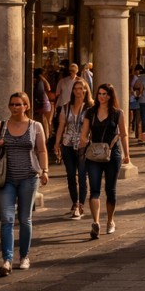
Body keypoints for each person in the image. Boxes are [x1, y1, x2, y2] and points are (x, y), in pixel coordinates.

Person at [0, 92, 49, 275]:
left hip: (29, 178)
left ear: (26, 106)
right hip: (6, 179)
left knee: (24, 219)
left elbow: (42, 150)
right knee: (7, 218)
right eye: (12, 104)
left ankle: (24, 256)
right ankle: (7, 260)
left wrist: (44, 171)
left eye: (19, 104)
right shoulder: (1, 126)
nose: (15, 108)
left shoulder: (35, 126)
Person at [79, 83, 129, 239]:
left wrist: (127, 154)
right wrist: (83, 143)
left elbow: (124, 134)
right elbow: (84, 134)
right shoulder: (90, 112)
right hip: (94, 154)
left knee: (110, 190)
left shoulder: (117, 113)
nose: (102, 96)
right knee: (94, 189)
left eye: (105, 94)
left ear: (110, 96)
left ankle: (110, 221)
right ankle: (96, 223)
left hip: (112, 154)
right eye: (100, 93)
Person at [53, 79, 93, 219]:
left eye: (80, 88)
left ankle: (80, 204)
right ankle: (74, 202)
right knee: (70, 175)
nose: (78, 91)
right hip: (68, 144)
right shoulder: (66, 107)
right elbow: (61, 126)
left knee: (82, 175)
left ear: (85, 90)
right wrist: (57, 144)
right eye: (75, 88)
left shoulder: (90, 107)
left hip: (83, 145)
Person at [32, 68, 53, 142]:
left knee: (43, 122)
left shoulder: (39, 81)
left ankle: (45, 139)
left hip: (42, 104)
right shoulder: (39, 81)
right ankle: (45, 139)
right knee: (44, 122)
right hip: (42, 104)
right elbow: (47, 88)